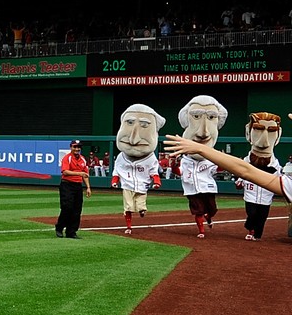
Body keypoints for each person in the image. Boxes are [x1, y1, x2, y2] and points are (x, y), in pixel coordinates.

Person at [177, 95, 227, 238]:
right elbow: (178, 171)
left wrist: (221, 162)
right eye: (196, 116)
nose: (203, 132)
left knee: (212, 209)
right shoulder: (185, 159)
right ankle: (201, 231)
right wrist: (174, 165)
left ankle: (209, 217)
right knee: (198, 210)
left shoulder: (211, 158)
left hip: (207, 186)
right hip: (192, 188)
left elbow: (217, 170)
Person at [110, 104, 165, 236]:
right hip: (127, 185)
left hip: (142, 184)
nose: (133, 139)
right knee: (128, 207)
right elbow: (117, 170)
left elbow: (153, 171)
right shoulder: (121, 157)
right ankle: (129, 226)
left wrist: (157, 181)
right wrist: (114, 180)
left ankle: (141, 211)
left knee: (140, 205)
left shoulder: (150, 158)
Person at [236, 112, 282, 241]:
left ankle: (258, 235)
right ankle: (250, 229)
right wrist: (239, 183)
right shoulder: (246, 161)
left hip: (266, 196)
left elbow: (280, 180)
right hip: (251, 193)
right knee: (252, 214)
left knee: (262, 217)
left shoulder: (276, 164)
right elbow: (241, 173)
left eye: (271, 131)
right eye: (258, 130)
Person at [56, 140, 92, 238]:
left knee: (77, 210)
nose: (77, 149)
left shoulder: (83, 159)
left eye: (78, 147)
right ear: (71, 147)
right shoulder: (67, 158)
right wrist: (79, 173)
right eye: (75, 147)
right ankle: (59, 227)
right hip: (67, 185)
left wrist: (88, 187)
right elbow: (65, 172)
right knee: (67, 207)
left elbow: (86, 174)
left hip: (78, 186)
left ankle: (71, 232)